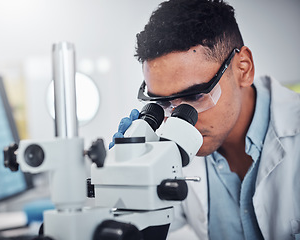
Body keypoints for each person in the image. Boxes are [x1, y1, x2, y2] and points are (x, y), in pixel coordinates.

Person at [109, 0, 300, 239]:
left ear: (244, 68)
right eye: (162, 103)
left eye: (195, 96)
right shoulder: (170, 151)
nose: (178, 120)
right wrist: (125, 187)